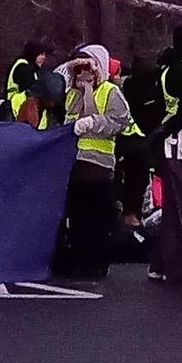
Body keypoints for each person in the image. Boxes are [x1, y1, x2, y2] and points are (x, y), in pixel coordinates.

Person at [59, 44, 130, 278]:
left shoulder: (110, 91)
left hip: (98, 166)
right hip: (74, 164)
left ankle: (96, 261)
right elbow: (69, 120)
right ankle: (78, 258)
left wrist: (92, 121)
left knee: (96, 216)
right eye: (77, 71)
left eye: (86, 69)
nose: (82, 75)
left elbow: (118, 120)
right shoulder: (72, 93)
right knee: (77, 215)